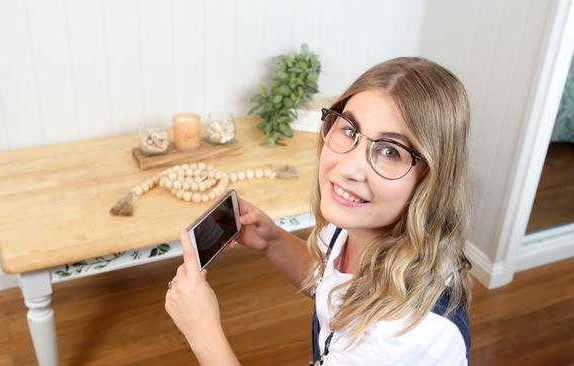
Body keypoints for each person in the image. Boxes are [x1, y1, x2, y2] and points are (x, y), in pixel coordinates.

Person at [164, 57, 472, 365]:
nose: (349, 168)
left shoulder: (401, 341)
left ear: (432, 178)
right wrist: (273, 241)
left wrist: (202, 332)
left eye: (390, 151)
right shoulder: (354, 226)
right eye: (349, 130)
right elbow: (330, 283)